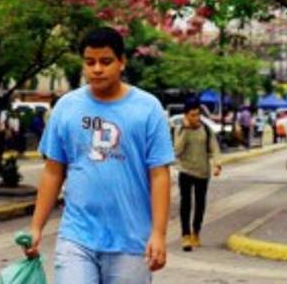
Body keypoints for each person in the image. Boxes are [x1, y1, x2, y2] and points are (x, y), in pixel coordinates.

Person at [26, 27, 173, 282]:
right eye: (89, 62)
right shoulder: (67, 107)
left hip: (131, 241)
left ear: (122, 62)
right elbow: (53, 171)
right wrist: (36, 227)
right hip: (77, 237)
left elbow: (159, 175)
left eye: (105, 62)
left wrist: (158, 234)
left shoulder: (148, 108)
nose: (96, 69)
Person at [174, 98, 221, 251]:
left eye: (198, 115)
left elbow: (214, 147)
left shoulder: (206, 129)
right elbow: (177, 150)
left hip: (202, 172)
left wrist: (217, 164)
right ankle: (185, 235)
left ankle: (196, 233)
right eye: (193, 115)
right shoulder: (180, 129)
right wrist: (186, 131)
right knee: (186, 203)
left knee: (200, 204)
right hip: (185, 170)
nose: (196, 118)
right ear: (186, 115)